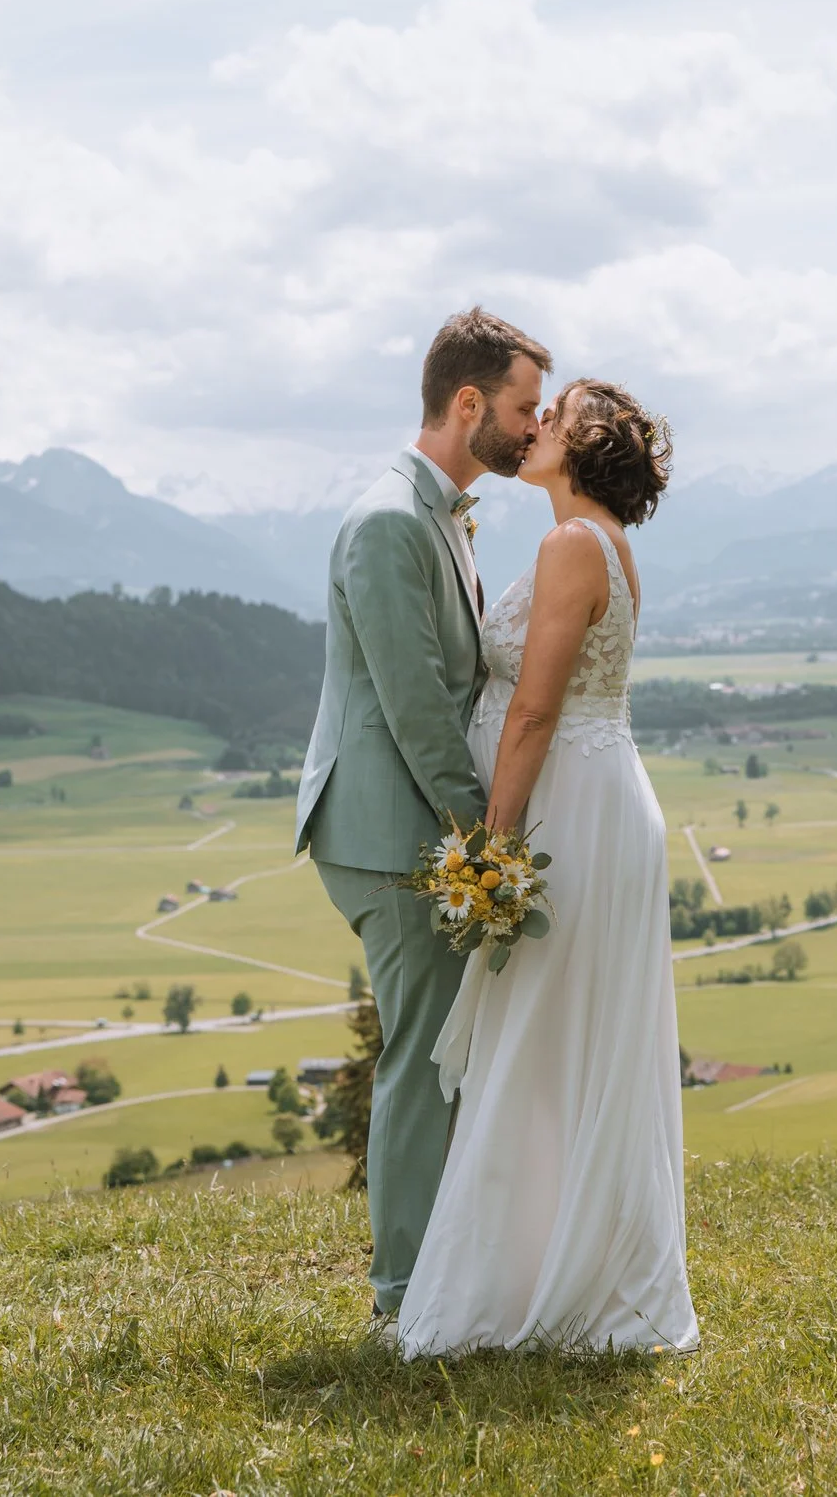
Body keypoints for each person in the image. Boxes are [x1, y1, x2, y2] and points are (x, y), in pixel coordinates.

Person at [397, 376, 699, 1357]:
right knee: (566, 1040)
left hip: (571, 804)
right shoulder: (598, 540)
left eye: (551, 418)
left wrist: (493, 840)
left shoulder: (575, 544)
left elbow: (532, 709)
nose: (532, 429)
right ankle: (558, 1259)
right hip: (593, 795)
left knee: (541, 1036)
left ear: (582, 444)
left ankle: (541, 1284)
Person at [294, 306, 547, 1323]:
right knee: (418, 1051)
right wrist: (484, 844)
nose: (535, 427)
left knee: (442, 1047)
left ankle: (442, 1267)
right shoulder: (392, 520)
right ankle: (404, 1294)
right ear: (468, 401)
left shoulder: (437, 509)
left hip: (412, 823)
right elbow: (413, 709)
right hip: (390, 829)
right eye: (525, 408)